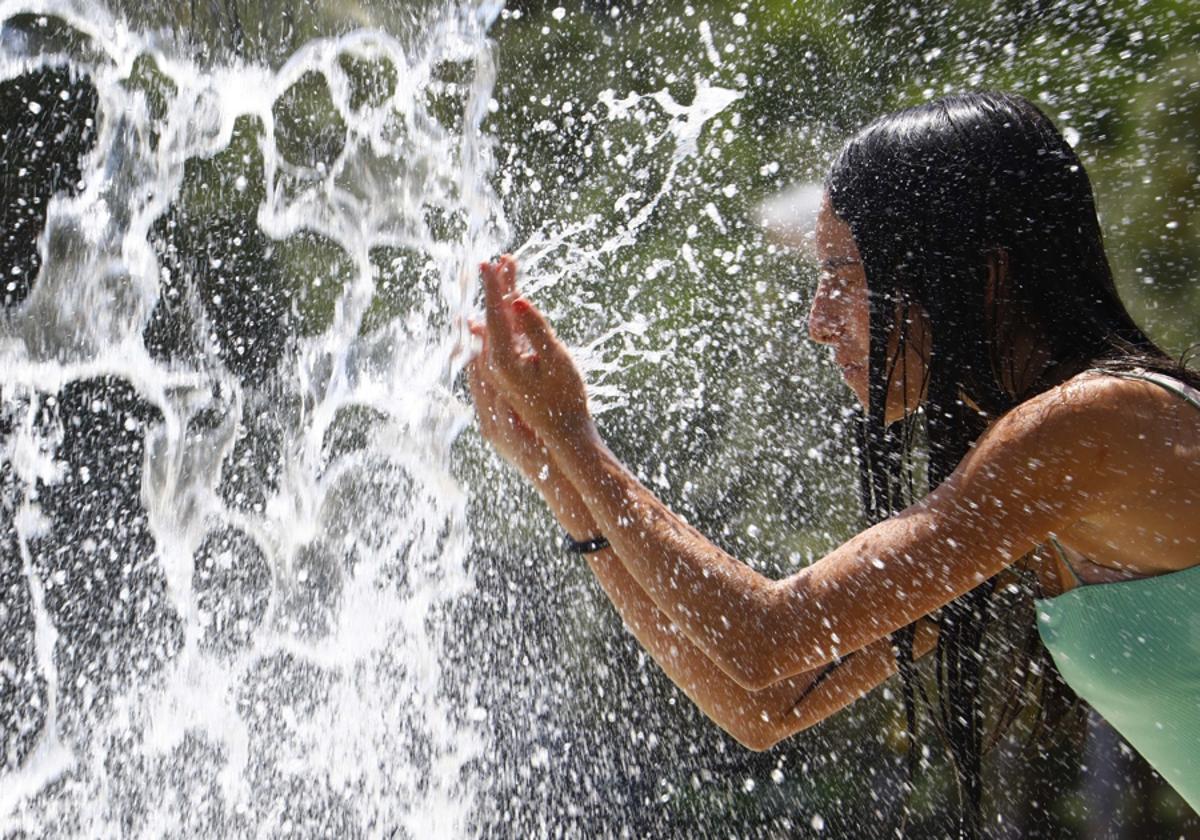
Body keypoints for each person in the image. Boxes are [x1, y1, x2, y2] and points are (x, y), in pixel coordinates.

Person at [466, 91, 1200, 835]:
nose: (818, 322)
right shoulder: (1035, 480)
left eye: (845, 273)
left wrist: (573, 433)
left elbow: (763, 639)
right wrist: (556, 469)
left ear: (983, 275)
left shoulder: (1097, 424)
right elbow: (763, 707)